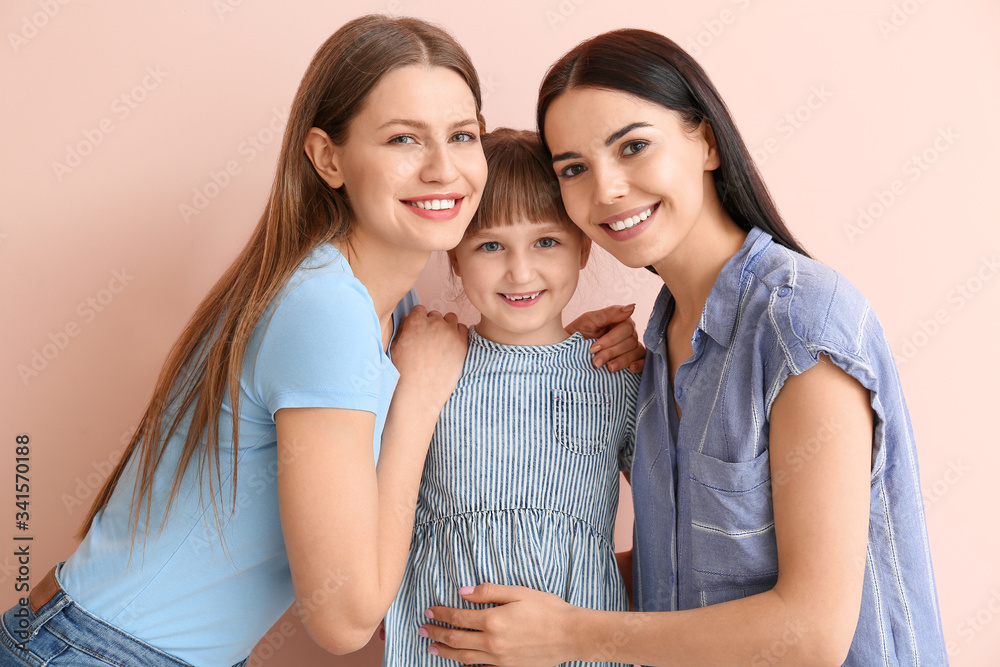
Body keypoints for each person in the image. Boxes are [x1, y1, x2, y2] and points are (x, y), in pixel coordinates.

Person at [0, 16, 642, 667]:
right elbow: (344, 619)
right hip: (97, 651)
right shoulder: (325, 308)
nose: (444, 168)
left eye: (461, 135)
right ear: (327, 157)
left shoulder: (386, 304)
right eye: (403, 139)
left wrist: (545, 347)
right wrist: (417, 400)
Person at [419, 29, 948, 666]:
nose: (607, 188)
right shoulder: (651, 347)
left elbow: (810, 632)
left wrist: (569, 633)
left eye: (634, 146)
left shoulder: (799, 320)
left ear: (705, 140)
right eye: (575, 169)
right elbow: (685, 577)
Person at [381, 128, 639, 667]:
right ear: (453, 256)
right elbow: (372, 516)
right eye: (491, 245)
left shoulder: (616, 373)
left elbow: (681, 526)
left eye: (546, 241)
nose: (520, 272)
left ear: (584, 247)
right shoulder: (427, 362)